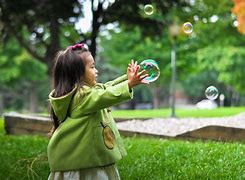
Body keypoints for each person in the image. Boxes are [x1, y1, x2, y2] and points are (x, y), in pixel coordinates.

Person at [47, 43, 148, 180]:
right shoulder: (82, 97)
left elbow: (107, 87)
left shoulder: (85, 93)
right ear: (78, 73)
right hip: (83, 165)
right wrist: (129, 84)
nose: (96, 71)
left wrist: (127, 78)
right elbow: (105, 95)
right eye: (92, 67)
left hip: (88, 159)